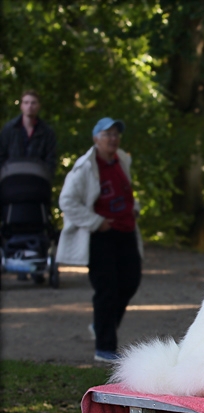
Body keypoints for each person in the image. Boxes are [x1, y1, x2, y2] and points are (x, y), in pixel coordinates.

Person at [56, 118, 143, 362]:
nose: (113, 139)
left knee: (130, 282)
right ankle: (105, 348)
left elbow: (126, 190)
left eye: (116, 134)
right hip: (100, 235)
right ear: (96, 138)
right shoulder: (85, 167)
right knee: (107, 290)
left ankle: (101, 324)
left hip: (126, 231)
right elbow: (67, 201)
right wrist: (96, 222)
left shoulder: (122, 160)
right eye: (107, 134)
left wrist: (133, 208)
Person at [0, 90, 57, 281]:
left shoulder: (46, 133)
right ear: (21, 105)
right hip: (12, 187)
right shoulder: (9, 130)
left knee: (40, 223)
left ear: (38, 106)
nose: (30, 106)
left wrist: (46, 176)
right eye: (26, 102)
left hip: (37, 187)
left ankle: (38, 259)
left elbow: (51, 159)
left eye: (33, 103)